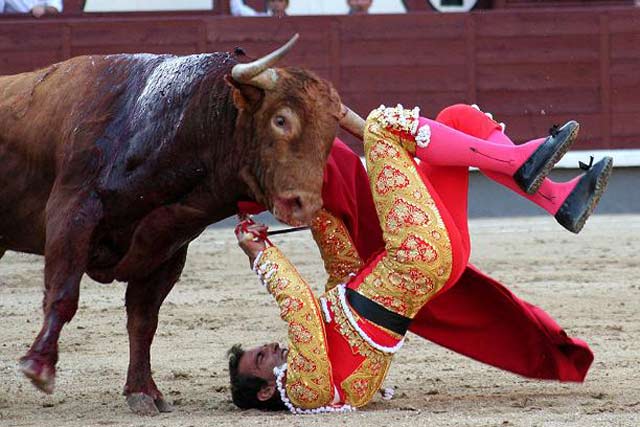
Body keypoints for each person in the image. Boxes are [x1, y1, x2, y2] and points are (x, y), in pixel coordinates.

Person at [228, 104, 612, 413]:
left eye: (262, 348)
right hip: (417, 257)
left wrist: (316, 211)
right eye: (261, 358)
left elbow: (344, 270)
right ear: (265, 393)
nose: (272, 347)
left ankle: (557, 197)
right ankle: (516, 160)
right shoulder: (306, 390)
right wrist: (261, 255)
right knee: (383, 126)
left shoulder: (330, 358)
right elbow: (298, 307)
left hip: (436, 261)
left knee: (458, 119)